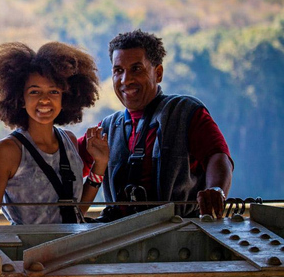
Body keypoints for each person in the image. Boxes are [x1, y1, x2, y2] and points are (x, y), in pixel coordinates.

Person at [77, 29, 233, 220]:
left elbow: (217, 157)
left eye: (136, 69)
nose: (126, 80)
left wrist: (215, 190)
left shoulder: (186, 112)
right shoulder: (107, 128)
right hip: (118, 239)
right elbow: (68, 162)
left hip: (179, 233)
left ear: (158, 73)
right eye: (119, 71)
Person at [0, 42, 108, 225]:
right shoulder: (8, 150)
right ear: (21, 99)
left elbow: (75, 212)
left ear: (65, 97)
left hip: (74, 250)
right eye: (34, 91)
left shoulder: (69, 140)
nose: (45, 99)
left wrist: (100, 164)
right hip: (28, 252)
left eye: (53, 91)